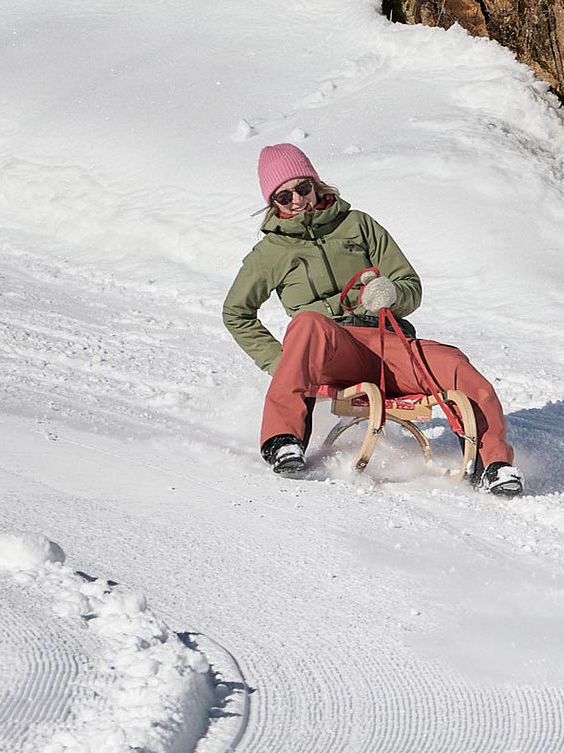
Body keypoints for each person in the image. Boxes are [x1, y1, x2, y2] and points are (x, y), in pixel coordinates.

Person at [222, 143, 522, 496]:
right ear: (274, 204)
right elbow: (236, 313)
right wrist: (285, 364)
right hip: (332, 352)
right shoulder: (269, 254)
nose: (297, 200)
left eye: (302, 188)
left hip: (386, 343)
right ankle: (282, 441)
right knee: (307, 324)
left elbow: (411, 286)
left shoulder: (358, 225)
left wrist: (392, 295)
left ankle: (494, 464)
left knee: (453, 362)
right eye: (284, 197)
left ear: (316, 184)